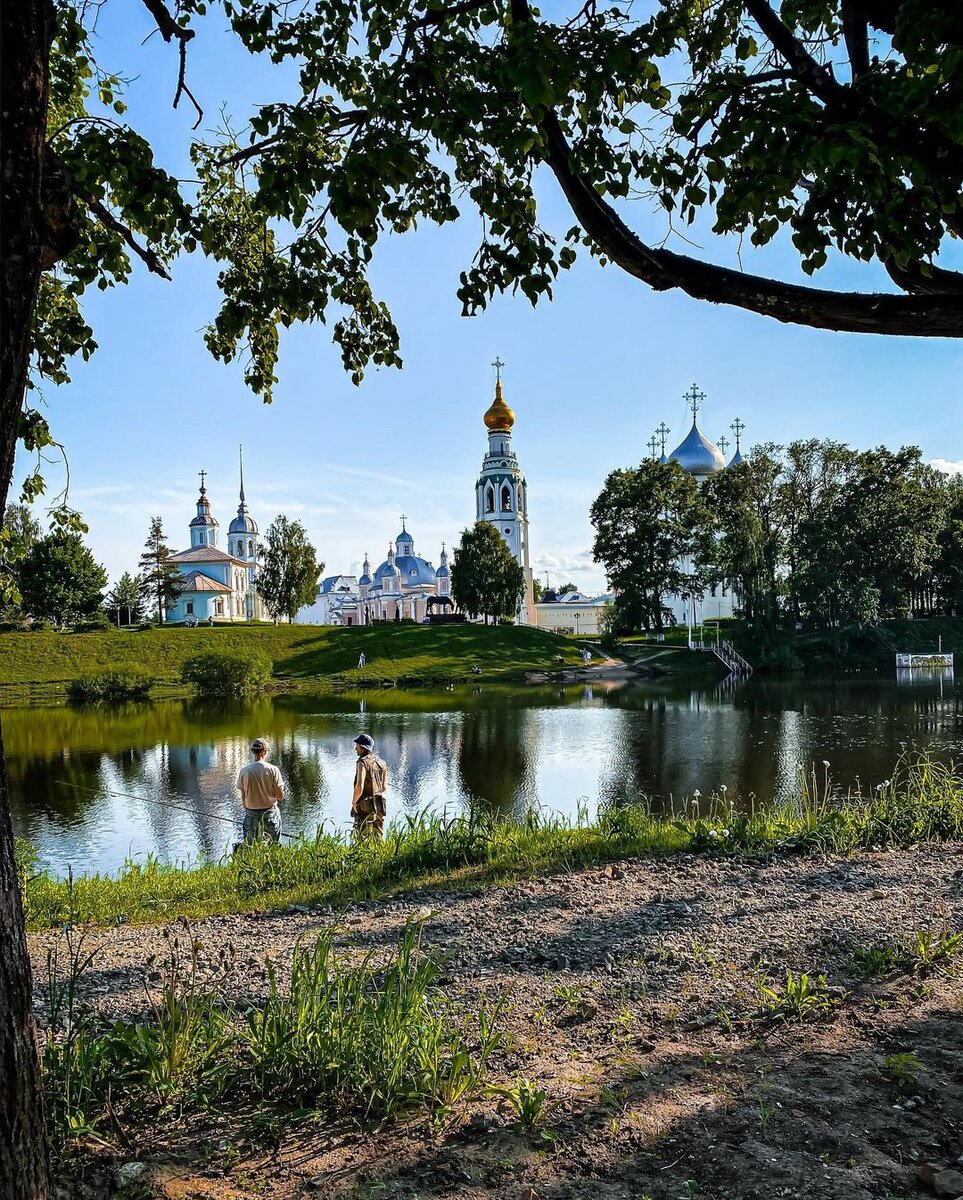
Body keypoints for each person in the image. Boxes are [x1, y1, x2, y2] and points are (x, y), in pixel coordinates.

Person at [235, 737, 285, 843]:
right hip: (270, 813)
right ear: (264, 751)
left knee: (251, 848)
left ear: (253, 751)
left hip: (251, 814)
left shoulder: (244, 771)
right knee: (273, 846)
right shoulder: (273, 770)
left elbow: (243, 796)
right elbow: (280, 797)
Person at [351, 733, 388, 836]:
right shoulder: (382, 763)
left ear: (362, 747)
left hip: (365, 805)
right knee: (378, 836)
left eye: (357, 746)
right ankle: (380, 852)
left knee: (363, 837)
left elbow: (360, 785)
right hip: (379, 804)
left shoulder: (362, 762)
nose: (355, 749)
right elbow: (384, 787)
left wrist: (354, 803)